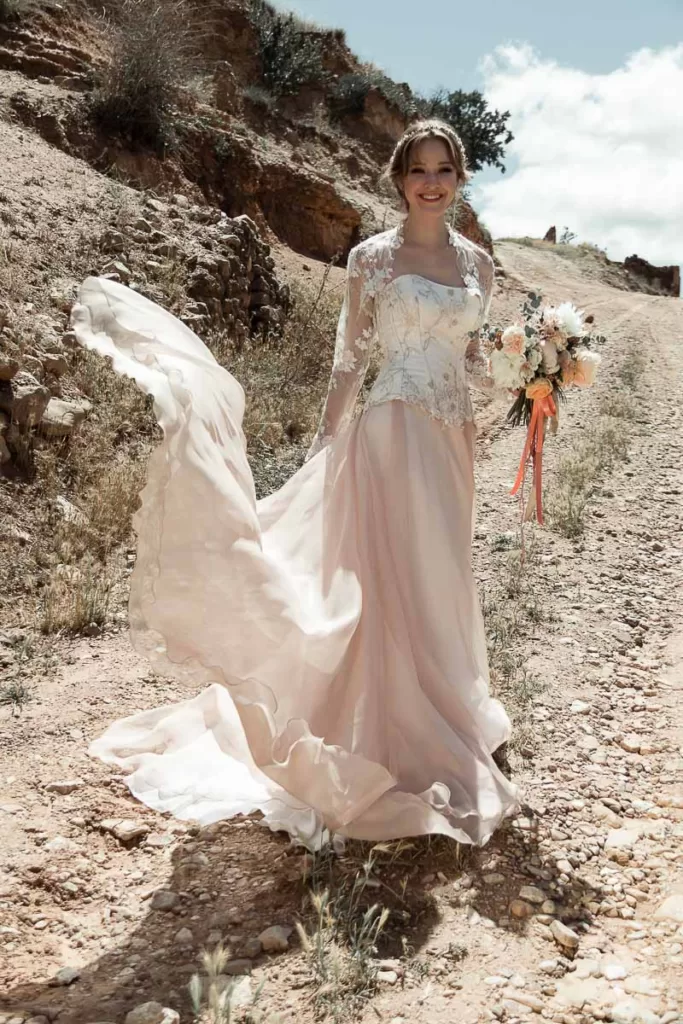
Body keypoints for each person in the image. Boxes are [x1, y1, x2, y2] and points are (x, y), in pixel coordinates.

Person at [71, 118, 519, 852]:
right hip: (388, 432)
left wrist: (524, 382)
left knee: (441, 574)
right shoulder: (372, 259)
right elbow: (350, 360)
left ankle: (449, 709)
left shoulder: (479, 267)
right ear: (399, 180)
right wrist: (325, 438)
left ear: (460, 178)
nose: (431, 183)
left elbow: (468, 355)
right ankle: (384, 732)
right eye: (418, 171)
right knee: (384, 582)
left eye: (444, 170)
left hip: (452, 438)